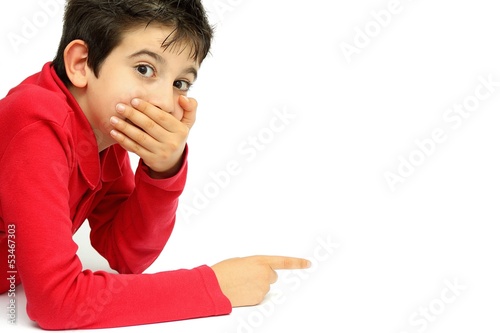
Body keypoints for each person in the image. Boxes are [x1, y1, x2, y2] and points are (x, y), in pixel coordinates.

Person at [0, 0, 310, 330]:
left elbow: (127, 255)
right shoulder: (37, 122)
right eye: (145, 69)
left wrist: (163, 169)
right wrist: (213, 286)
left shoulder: (109, 132)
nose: (164, 102)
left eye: (180, 83)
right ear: (81, 63)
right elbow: (57, 302)